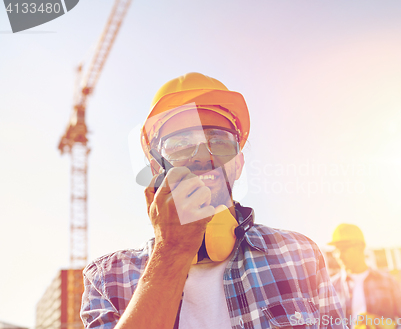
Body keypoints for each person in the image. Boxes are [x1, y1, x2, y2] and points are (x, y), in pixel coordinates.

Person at [80, 72, 346, 329]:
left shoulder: (299, 256)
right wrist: (170, 251)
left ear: (239, 164)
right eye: (180, 143)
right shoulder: (108, 279)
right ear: (155, 169)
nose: (202, 157)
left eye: (218, 141)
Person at [329, 223, 401, 329]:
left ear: (360, 247)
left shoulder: (387, 281)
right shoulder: (330, 288)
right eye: (336, 250)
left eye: (344, 249)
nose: (339, 255)